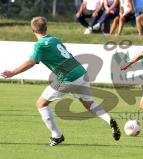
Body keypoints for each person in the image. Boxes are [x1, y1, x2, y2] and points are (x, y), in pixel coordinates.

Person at [0, 16, 121, 146]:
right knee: (89, 104)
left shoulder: (40, 45)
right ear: (46, 28)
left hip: (67, 78)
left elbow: (31, 62)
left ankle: (57, 136)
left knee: (41, 104)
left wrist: (13, 72)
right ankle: (109, 120)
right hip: (80, 72)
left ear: (33, 30)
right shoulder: (54, 39)